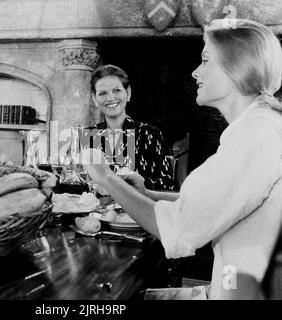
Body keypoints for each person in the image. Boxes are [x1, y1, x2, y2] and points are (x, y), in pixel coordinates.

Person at [81, 19, 282, 299]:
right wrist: (145, 192)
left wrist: (104, 176)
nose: (195, 72)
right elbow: (205, 203)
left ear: (236, 66)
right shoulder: (260, 127)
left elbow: (177, 229)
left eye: (205, 60)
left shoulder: (255, 137)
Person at [83, 64, 175, 191]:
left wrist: (143, 182)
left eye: (116, 91)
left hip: (136, 208)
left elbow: (167, 184)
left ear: (128, 93)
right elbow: (80, 181)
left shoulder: (148, 133)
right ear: (94, 99)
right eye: (103, 93)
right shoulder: (88, 134)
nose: (110, 98)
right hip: (95, 209)